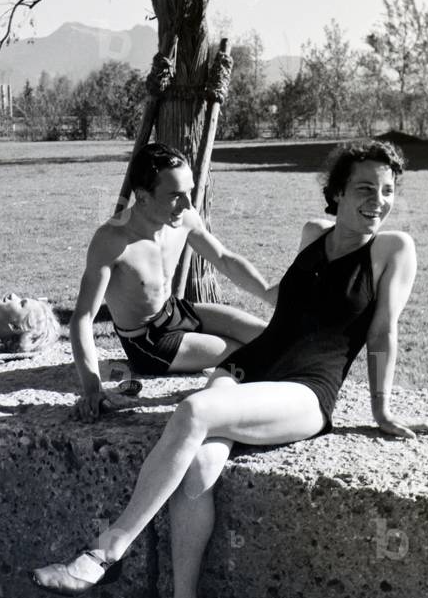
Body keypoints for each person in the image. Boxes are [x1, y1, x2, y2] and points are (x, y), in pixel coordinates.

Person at [34, 140, 428, 598]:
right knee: (198, 463)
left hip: (306, 390)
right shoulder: (312, 235)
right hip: (248, 369)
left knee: (194, 412)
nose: (379, 201)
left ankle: (106, 550)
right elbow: (285, 311)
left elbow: (383, 331)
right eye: (365, 189)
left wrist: (381, 410)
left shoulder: (393, 250)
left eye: (387, 191)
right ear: (337, 193)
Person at [71, 143, 275, 421]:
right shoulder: (112, 241)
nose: (189, 204)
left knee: (269, 336)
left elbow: (224, 259)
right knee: (243, 353)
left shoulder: (184, 218)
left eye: (189, 192)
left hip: (175, 310)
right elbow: (83, 318)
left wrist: (268, 292)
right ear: (142, 197)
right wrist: (92, 388)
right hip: (148, 342)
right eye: (176, 195)